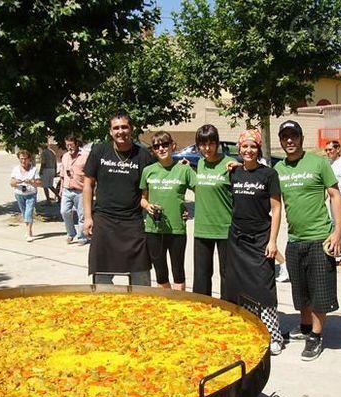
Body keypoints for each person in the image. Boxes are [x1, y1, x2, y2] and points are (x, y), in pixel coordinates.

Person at [274, 120, 341, 361]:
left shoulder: (318, 163)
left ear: (301, 139)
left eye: (293, 136)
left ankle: (316, 334)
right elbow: (273, 203)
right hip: (294, 239)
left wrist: (337, 232)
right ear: (281, 141)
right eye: (285, 137)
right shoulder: (279, 169)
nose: (289, 140)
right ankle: (304, 327)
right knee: (300, 291)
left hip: (319, 238)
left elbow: (335, 195)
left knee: (320, 292)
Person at [226, 129, 283, 355]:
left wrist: (273, 241)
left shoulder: (268, 175)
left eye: (253, 147)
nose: (248, 151)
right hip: (238, 239)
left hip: (261, 238)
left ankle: (273, 335)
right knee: (244, 288)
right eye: (244, 147)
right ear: (239, 149)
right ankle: (252, 330)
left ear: (258, 149)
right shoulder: (234, 173)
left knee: (264, 287)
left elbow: (276, 209)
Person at [83, 110, 154, 285]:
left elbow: (157, 184)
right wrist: (87, 217)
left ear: (132, 129)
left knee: (141, 276)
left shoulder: (143, 155)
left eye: (124, 127)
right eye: (116, 128)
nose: (120, 131)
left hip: (133, 223)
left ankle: (143, 308)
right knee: (101, 277)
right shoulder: (99, 151)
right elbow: (88, 184)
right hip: (104, 221)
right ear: (110, 131)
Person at [140, 131, 196, 290]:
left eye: (165, 145)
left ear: (173, 146)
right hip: (154, 229)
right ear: (153, 150)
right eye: (157, 146)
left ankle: (179, 306)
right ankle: (167, 305)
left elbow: (202, 191)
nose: (161, 149)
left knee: (178, 271)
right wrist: (147, 206)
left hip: (176, 228)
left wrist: (186, 209)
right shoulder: (148, 170)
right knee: (160, 273)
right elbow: (142, 198)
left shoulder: (184, 170)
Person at [192, 124, 233, 297]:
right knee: (201, 277)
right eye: (202, 144)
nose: (207, 148)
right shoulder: (199, 164)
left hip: (225, 228)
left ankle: (228, 312)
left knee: (228, 276)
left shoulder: (229, 165)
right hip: (202, 228)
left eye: (211, 144)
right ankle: (203, 312)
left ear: (217, 143)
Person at [59, 134, 88, 246]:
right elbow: (62, 175)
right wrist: (61, 188)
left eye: (71, 145)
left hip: (80, 190)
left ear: (76, 144)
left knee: (82, 215)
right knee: (64, 211)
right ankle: (71, 233)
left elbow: (90, 174)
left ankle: (82, 237)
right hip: (67, 189)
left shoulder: (84, 156)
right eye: (67, 145)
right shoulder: (65, 156)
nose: (69, 147)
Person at [10, 150, 42, 242]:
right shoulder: (16, 169)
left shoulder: (33, 170)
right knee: (24, 213)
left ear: (29, 159)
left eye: (25, 159)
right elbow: (11, 183)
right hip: (19, 194)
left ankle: (28, 232)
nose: (23, 161)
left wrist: (32, 181)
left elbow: (39, 183)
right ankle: (28, 229)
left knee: (29, 212)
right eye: (21, 159)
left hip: (31, 194)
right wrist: (17, 182)